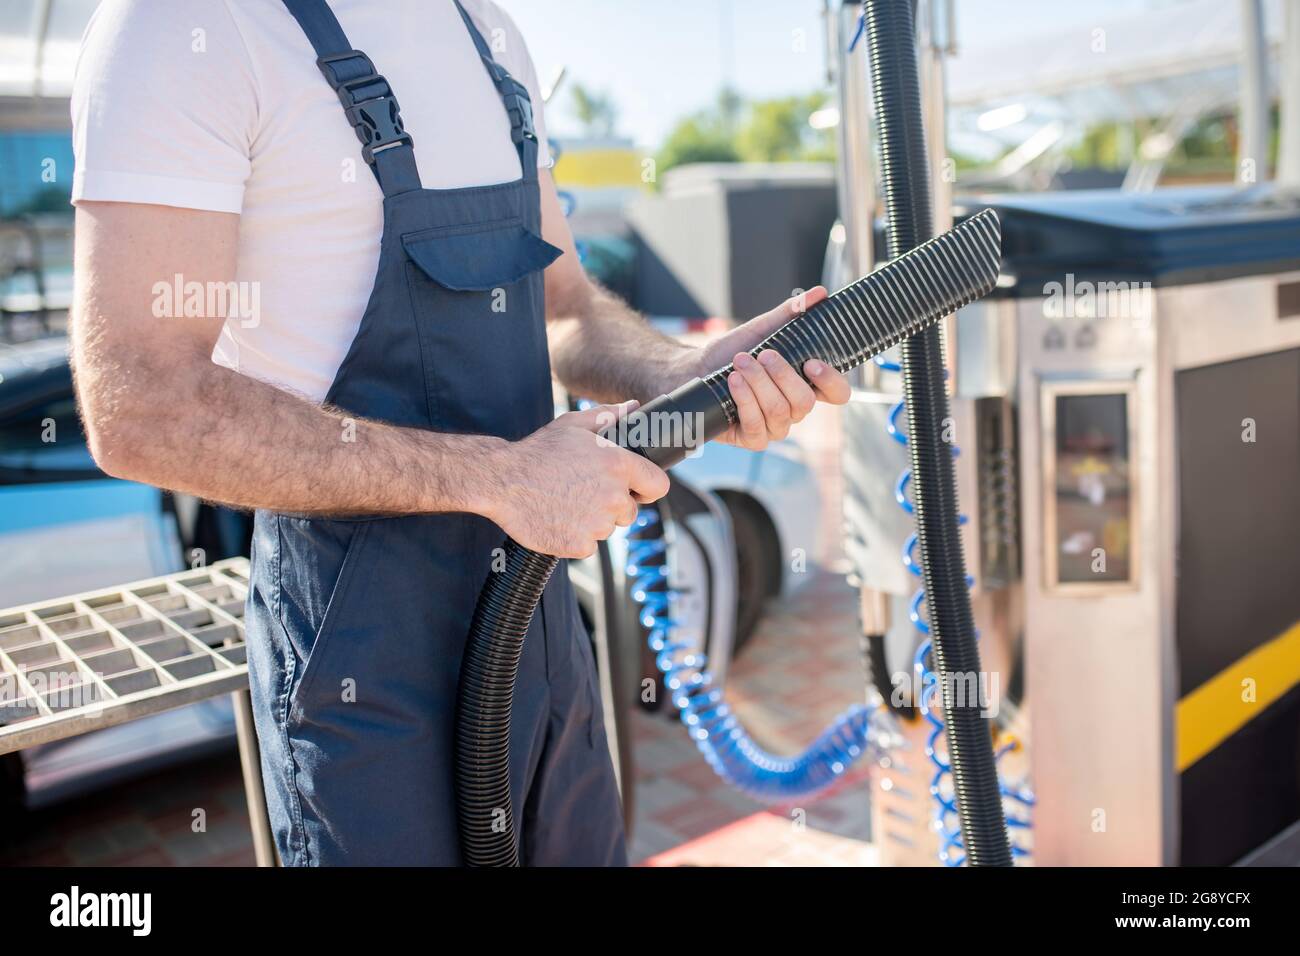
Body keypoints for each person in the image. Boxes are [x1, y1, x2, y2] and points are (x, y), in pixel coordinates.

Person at [69, 0, 850, 865]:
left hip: (539, 624)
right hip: (360, 653)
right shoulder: (184, 25)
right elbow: (141, 404)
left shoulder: (490, 36)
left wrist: (678, 376)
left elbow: (566, 312)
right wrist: (497, 479)